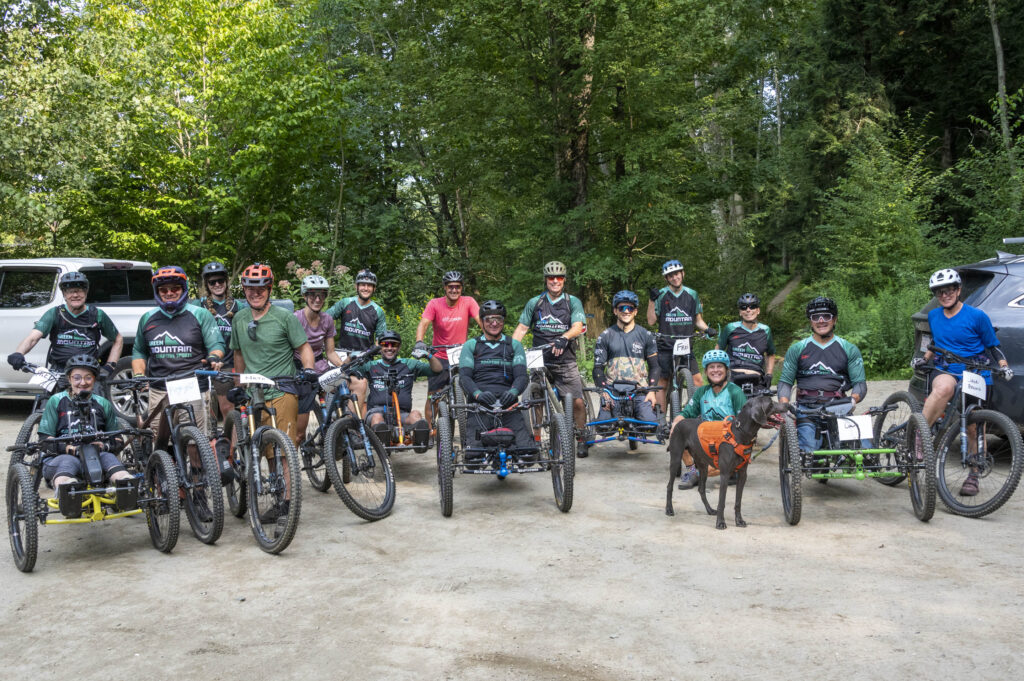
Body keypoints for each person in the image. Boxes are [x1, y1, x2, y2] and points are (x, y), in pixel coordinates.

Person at [917, 268, 1011, 496]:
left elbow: (993, 345)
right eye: (939, 292)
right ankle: (921, 436)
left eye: (949, 290)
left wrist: (1004, 366)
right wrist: (924, 359)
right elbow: (934, 343)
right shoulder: (934, 316)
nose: (944, 295)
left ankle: (974, 473)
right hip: (947, 368)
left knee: (973, 426)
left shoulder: (977, 316)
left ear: (958, 290)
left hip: (976, 373)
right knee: (944, 387)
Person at [132, 266, 225, 448]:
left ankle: (198, 476)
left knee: (194, 442)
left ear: (183, 289)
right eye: (163, 290)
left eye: (175, 288)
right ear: (157, 292)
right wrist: (138, 375)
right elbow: (139, 351)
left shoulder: (200, 314)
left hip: (191, 384)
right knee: (160, 441)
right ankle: (165, 474)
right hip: (159, 387)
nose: (169, 293)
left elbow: (216, 344)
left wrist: (214, 357)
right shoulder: (147, 318)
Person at [230, 263, 316, 447]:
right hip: (253, 392)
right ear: (244, 290)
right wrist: (239, 385)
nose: (255, 294)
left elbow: (304, 348)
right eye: (250, 289)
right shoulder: (239, 319)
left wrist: (309, 370)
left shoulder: (285, 317)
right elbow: (239, 354)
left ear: (269, 290)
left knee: (282, 452)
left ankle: (286, 476)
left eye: (261, 289)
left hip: (281, 388)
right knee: (252, 449)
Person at [37, 354, 134, 517]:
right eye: (77, 378)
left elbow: (117, 439)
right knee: (68, 466)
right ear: (69, 379)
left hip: (97, 455)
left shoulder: (103, 403)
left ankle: (127, 491)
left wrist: (104, 446)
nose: (83, 382)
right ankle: (71, 498)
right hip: (63, 457)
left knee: (111, 462)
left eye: (88, 377)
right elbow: (44, 440)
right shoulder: (56, 401)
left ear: (94, 379)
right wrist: (68, 448)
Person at [511, 260, 588, 453]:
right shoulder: (535, 302)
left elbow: (578, 326)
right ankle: (536, 439)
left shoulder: (572, 302)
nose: (555, 281)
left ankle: (581, 436)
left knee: (577, 401)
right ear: (546, 280)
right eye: (551, 278)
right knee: (536, 399)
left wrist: (564, 338)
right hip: (540, 357)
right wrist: (511, 349)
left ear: (564, 280)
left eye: (559, 277)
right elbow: (522, 328)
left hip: (565, 358)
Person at [777, 296, 866, 454]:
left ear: (835, 320)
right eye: (815, 317)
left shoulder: (849, 349)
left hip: (839, 407)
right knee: (810, 451)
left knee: (865, 450)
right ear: (810, 321)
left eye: (826, 316)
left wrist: (853, 399)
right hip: (806, 409)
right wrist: (784, 404)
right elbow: (785, 382)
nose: (821, 321)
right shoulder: (797, 349)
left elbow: (860, 384)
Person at [8, 271, 123, 376]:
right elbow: (33, 337)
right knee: (49, 399)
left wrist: (110, 365)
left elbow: (118, 339)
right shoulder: (54, 313)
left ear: (86, 292)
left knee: (96, 399)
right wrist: (19, 353)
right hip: (58, 372)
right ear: (64, 294)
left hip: (89, 373)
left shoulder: (97, 314)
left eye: (79, 291)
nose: (75, 295)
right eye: (70, 291)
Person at [458, 300, 533, 455]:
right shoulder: (471, 345)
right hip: (480, 406)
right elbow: (464, 378)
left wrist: (513, 393)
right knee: (473, 458)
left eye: (498, 319)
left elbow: (521, 376)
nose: (494, 323)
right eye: (489, 319)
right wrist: (478, 394)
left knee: (528, 454)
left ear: (503, 321)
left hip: (509, 405)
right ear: (482, 322)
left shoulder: (514, 345)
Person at [591, 290, 661, 454]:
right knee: (604, 428)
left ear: (635, 311)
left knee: (650, 428)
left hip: (639, 390)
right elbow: (598, 368)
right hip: (613, 391)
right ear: (615, 310)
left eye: (630, 308)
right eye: (622, 307)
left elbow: (655, 366)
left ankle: (638, 421)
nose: (626, 311)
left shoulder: (646, 335)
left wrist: (651, 391)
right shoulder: (605, 336)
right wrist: (604, 391)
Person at [354, 330, 441, 453]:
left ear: (399, 347)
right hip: (376, 412)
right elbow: (347, 370)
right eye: (385, 344)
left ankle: (420, 443)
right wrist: (352, 357)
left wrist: (428, 355)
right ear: (379, 347)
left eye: (393, 344)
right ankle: (383, 448)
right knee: (377, 419)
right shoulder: (371, 366)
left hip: (402, 413)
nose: (389, 348)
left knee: (416, 415)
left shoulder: (409, 364)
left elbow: (438, 369)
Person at [673, 349, 748, 490]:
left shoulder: (735, 392)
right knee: (679, 432)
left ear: (726, 370)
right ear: (706, 372)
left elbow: (744, 425)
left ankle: (730, 470)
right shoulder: (702, 392)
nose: (715, 370)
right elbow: (687, 412)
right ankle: (693, 471)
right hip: (707, 440)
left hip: (728, 442)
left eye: (719, 366)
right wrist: (676, 422)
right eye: (711, 367)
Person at [415, 270, 482, 426]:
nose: (454, 290)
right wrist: (419, 341)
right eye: (450, 286)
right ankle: (430, 430)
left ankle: (474, 427)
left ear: (462, 288)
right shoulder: (435, 304)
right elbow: (424, 323)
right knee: (434, 396)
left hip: (461, 354)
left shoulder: (469, 301)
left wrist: (489, 339)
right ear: (445, 288)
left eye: (457, 287)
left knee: (475, 390)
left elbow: (481, 321)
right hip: (440, 356)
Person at [647, 259, 711, 411]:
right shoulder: (661, 295)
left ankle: (698, 415)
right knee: (662, 382)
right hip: (665, 345)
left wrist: (708, 329)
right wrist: (651, 300)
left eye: (677, 274)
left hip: (686, 345)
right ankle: (662, 420)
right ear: (666, 278)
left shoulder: (692, 294)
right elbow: (651, 321)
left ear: (683, 274)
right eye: (670, 276)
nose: (674, 278)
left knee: (697, 381)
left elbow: (698, 320)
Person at [325, 268, 387, 413]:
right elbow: (326, 319)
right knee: (332, 389)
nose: (365, 288)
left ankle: (353, 425)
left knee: (361, 394)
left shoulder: (378, 311)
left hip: (364, 358)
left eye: (369, 285)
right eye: (362, 284)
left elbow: (381, 339)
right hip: (341, 354)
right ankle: (329, 424)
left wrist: (375, 349)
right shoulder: (346, 303)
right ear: (356, 286)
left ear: (374, 288)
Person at [294, 274, 343, 441]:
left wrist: (342, 367)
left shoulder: (327, 320)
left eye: (321, 295)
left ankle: (334, 430)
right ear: (305, 296)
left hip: (320, 365)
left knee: (343, 387)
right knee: (299, 430)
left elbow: (330, 352)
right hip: (300, 369)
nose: (317, 299)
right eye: (313, 295)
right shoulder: (296, 319)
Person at [197, 261, 247, 424]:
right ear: (207, 284)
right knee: (206, 412)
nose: (217, 284)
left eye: (220, 281)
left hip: (230, 362)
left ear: (226, 282)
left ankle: (232, 445)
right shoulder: (199, 306)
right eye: (212, 282)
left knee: (228, 409)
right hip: (207, 362)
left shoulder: (237, 306)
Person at [717, 293, 776, 392]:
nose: (748, 310)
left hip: (756, 378)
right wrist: (719, 370)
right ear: (740, 312)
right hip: (733, 376)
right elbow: (718, 349)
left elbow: (771, 354)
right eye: (744, 307)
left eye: (752, 306)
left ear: (758, 310)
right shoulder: (731, 328)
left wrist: (769, 374)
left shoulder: (765, 330)